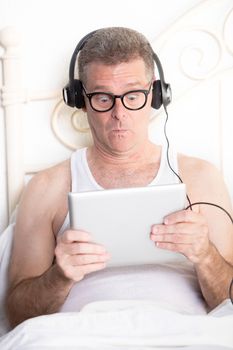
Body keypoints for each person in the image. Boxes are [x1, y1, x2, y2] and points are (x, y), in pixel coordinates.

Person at [6, 27, 233, 328]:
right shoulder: (47, 188)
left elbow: (227, 302)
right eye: (103, 98)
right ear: (80, 100)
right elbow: (16, 315)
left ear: (154, 95)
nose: (119, 112)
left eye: (133, 96)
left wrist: (205, 256)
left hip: (186, 331)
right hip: (77, 336)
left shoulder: (201, 178)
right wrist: (59, 276)